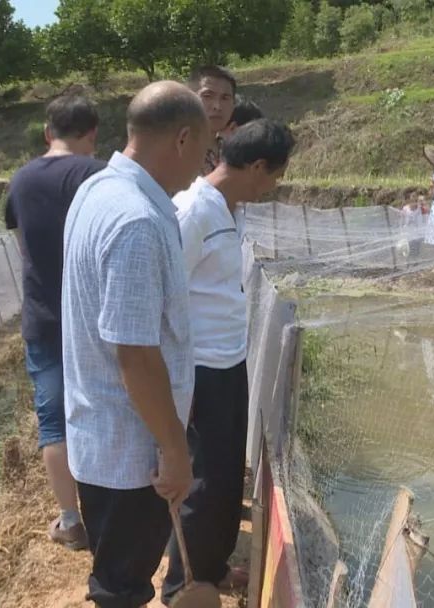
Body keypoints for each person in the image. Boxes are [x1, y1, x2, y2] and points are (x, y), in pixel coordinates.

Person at [61, 81, 209, 608]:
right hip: (132, 451)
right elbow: (136, 355)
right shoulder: (138, 223)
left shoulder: (98, 190)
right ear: (184, 139)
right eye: (204, 152)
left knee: (116, 578)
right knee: (121, 588)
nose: (200, 169)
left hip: (102, 432)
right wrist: (173, 450)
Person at [162, 118, 296, 605]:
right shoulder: (193, 211)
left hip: (228, 361)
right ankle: (183, 585)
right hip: (200, 369)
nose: (274, 186)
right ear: (258, 166)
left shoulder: (229, 208)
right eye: (275, 175)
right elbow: (163, 295)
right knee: (201, 481)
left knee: (222, 475)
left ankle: (211, 569)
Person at [4, 94, 105, 551]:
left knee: (54, 425)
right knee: (105, 411)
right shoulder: (98, 174)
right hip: (96, 320)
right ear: (93, 134)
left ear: (48, 132)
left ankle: (71, 521)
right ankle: (112, 510)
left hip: (44, 319)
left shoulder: (21, 179)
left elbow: (22, 241)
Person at [187, 65, 237, 176]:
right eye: (207, 96)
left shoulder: (234, 151)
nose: (217, 106)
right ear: (189, 99)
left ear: (234, 104)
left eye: (225, 98)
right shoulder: (177, 151)